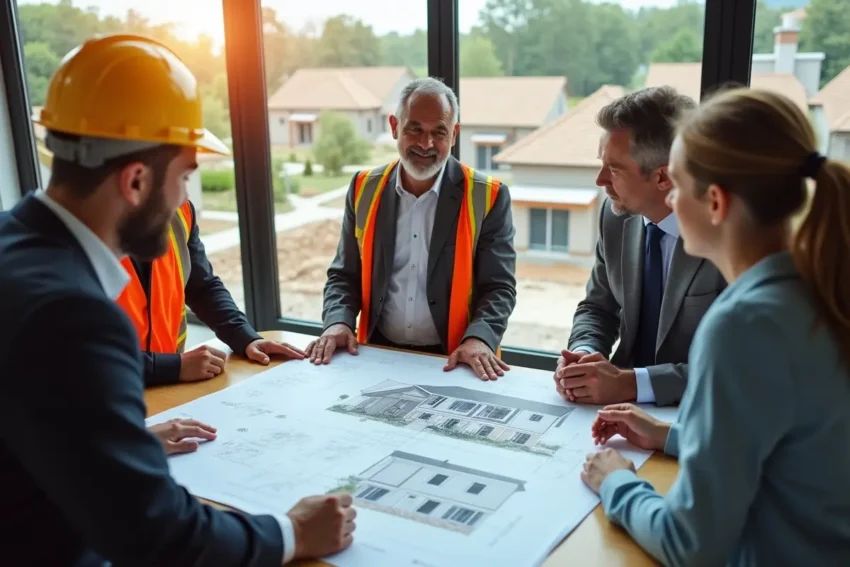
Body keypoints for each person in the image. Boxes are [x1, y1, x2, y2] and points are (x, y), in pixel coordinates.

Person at [0, 34, 354, 566]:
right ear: (137, 180)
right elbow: (155, 533)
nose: (186, 197)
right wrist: (292, 534)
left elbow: (34, 418)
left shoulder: (12, 246)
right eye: (185, 176)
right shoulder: (74, 315)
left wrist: (122, 444)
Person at [581, 88, 850, 566]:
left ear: (716, 203)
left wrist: (615, 481)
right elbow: (792, 444)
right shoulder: (822, 286)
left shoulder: (744, 324)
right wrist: (671, 435)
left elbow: (690, 546)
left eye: (678, 186)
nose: (671, 200)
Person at [305, 77, 517, 381]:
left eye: (438, 133)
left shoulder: (488, 196)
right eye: (414, 129)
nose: (425, 143)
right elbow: (344, 274)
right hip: (376, 354)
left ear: (454, 134)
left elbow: (499, 288)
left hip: (456, 359)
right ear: (394, 127)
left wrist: (480, 339)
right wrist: (337, 322)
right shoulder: (364, 187)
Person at [555, 86, 726, 407]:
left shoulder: (727, 236)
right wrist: (583, 355)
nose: (600, 180)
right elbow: (598, 307)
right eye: (601, 163)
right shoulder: (616, 214)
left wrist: (632, 384)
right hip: (616, 407)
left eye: (615, 169)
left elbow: (736, 369)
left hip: (696, 410)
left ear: (663, 177)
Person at [115, 198, 306, 387]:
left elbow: (202, 288)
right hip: (107, 390)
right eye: (182, 176)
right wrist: (173, 367)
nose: (184, 192)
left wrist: (244, 337)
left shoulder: (180, 211)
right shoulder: (94, 226)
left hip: (164, 388)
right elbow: (86, 357)